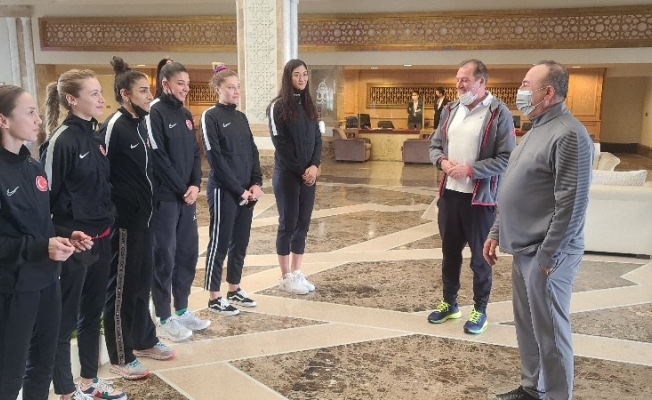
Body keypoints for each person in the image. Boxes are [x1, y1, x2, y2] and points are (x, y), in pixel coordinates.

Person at [485, 61, 593, 400]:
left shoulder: (569, 134)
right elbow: (515, 186)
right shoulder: (535, 129)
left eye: (525, 84)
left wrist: (548, 255)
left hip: (547, 253)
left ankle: (557, 395)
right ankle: (532, 390)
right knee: (528, 327)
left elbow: (572, 203)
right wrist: (497, 231)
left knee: (551, 334)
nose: (520, 91)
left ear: (548, 92)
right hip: (523, 248)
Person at [0, 85, 92, 400]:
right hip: (14, 288)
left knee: (42, 365)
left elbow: (40, 224)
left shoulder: (32, 165)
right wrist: (41, 247)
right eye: (29, 113)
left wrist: (64, 236)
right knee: (9, 374)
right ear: (3, 120)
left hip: (48, 281)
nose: (38, 120)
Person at [40, 70, 124, 400]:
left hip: (100, 238)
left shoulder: (95, 136)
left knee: (92, 314)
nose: (102, 99)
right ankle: (65, 391)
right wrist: (63, 237)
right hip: (73, 244)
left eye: (100, 92)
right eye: (94, 93)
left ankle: (89, 381)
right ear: (72, 100)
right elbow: (45, 203)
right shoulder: (61, 141)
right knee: (65, 320)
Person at [99, 57, 175, 381]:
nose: (149, 95)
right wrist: (115, 213)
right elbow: (101, 177)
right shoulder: (114, 126)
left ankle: (143, 340)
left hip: (145, 220)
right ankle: (120, 355)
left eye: (148, 89)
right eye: (143, 90)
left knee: (142, 284)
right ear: (125, 94)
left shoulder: (141, 124)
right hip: (124, 224)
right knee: (121, 290)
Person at [427, 59, 515, 334]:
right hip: (450, 196)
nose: (459, 85)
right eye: (457, 79)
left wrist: (470, 170)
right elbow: (434, 146)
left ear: (481, 82)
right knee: (450, 253)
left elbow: (506, 158)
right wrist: (442, 162)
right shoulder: (450, 110)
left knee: (480, 258)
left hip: (480, 200)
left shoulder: (498, 113)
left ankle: (480, 310)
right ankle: (450, 303)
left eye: (465, 80)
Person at [147, 61, 210, 342]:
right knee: (165, 257)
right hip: (166, 198)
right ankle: (164, 318)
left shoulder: (185, 113)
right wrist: (182, 188)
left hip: (187, 198)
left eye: (187, 83)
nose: (185, 88)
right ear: (165, 84)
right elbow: (158, 156)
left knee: (187, 253)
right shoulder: (154, 112)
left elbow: (196, 153)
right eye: (180, 83)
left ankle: (182, 309)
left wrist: (195, 184)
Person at [200, 62, 263, 315]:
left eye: (238, 87)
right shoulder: (210, 116)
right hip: (224, 190)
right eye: (230, 87)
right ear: (218, 88)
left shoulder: (240, 117)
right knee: (220, 242)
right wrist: (238, 190)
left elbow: (252, 151)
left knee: (241, 241)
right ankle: (214, 297)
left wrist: (256, 183)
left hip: (247, 191)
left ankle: (234, 288)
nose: (236, 91)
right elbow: (215, 157)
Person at [267, 59, 322, 295]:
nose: (302, 79)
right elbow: (280, 144)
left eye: (305, 74)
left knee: (303, 224)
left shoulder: (310, 106)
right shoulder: (277, 106)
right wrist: (302, 170)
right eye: (297, 74)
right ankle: (285, 276)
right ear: (288, 77)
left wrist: (315, 166)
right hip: (288, 175)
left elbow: (317, 139)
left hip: (309, 175)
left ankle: (297, 271)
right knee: (287, 224)